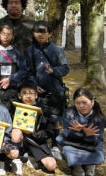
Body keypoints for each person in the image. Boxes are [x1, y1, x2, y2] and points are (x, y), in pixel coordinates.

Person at [20, 19, 70, 149]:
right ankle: (35, 146)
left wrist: (54, 71)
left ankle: (55, 145)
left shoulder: (57, 49)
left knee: (55, 120)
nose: (40, 34)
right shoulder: (29, 50)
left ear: (50, 33)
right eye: (37, 32)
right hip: (36, 92)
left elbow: (66, 68)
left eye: (43, 32)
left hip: (54, 90)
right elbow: (28, 70)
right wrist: (33, 85)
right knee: (36, 119)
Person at [57, 88, 106, 176]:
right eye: (78, 103)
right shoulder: (69, 113)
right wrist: (81, 132)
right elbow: (66, 134)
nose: (81, 106)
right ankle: (77, 166)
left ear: (92, 102)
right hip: (73, 144)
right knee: (66, 150)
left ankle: (90, 165)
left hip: (91, 145)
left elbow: (97, 139)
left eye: (84, 103)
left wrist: (88, 135)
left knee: (99, 156)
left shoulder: (98, 117)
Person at [14, 82, 58, 172]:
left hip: (36, 142)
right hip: (22, 140)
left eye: (31, 93)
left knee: (51, 166)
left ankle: (31, 156)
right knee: (16, 132)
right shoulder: (15, 108)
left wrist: (43, 134)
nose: (28, 96)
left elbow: (50, 131)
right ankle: (17, 157)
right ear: (19, 95)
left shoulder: (43, 110)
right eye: (25, 93)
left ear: (36, 95)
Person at [0, 23, 24, 112]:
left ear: (13, 36)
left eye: (9, 34)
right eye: (3, 34)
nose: (6, 36)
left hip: (13, 90)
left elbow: (23, 70)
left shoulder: (17, 52)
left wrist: (10, 79)